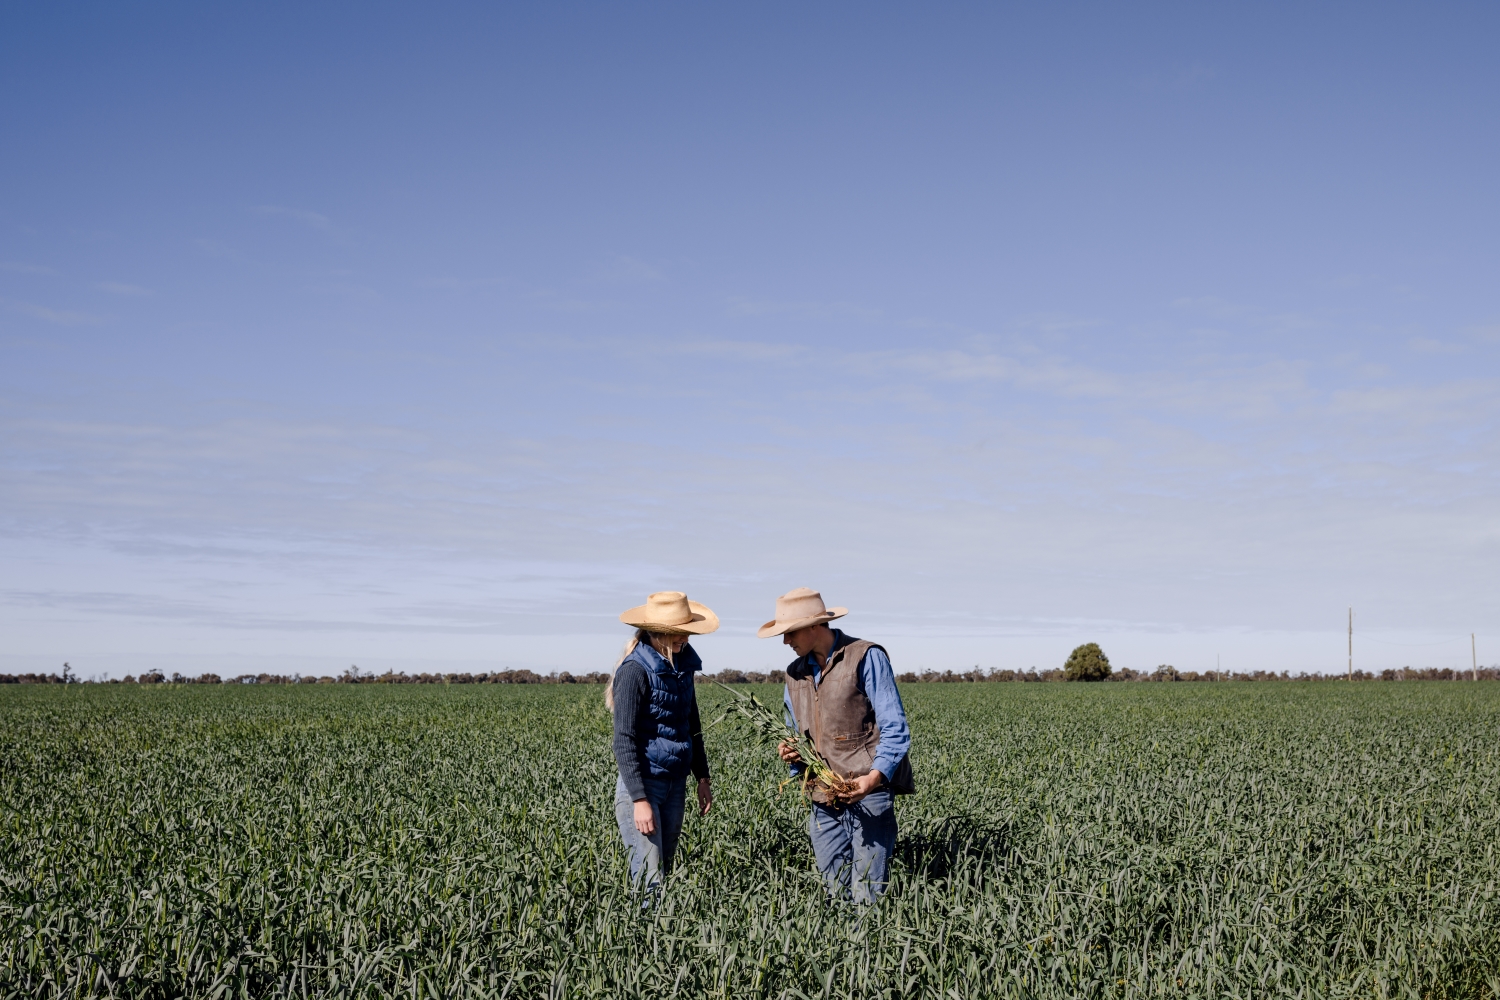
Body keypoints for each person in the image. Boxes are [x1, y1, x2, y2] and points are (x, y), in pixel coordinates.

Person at [760, 587, 914, 904]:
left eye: (790, 633)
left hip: (867, 793)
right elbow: (795, 733)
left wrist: (871, 780)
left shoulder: (865, 656)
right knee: (835, 892)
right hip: (821, 796)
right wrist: (791, 753)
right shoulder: (794, 674)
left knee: (867, 894)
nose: (786, 642)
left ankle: (870, 951)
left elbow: (895, 728)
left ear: (815, 626)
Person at [608, 590, 716, 890]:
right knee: (649, 879)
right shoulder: (634, 671)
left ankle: (659, 934)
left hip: (674, 784)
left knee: (664, 873)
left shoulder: (681, 668)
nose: (685, 639)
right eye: (678, 634)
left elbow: (691, 725)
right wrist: (640, 800)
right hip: (643, 787)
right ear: (658, 633)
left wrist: (702, 777)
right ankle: (643, 936)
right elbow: (623, 739)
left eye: (687, 633)